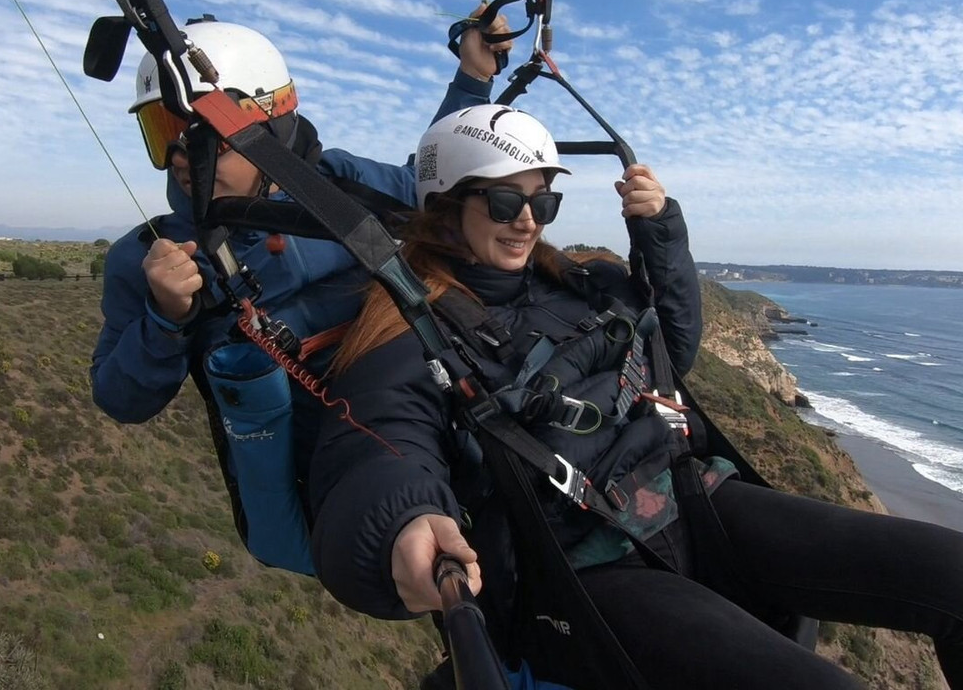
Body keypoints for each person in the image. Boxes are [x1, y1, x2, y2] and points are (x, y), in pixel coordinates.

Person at [308, 104, 963, 689]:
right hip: (581, 570)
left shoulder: (579, 281)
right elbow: (381, 445)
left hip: (686, 498)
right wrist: (403, 519)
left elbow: (670, 350)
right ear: (447, 206)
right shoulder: (407, 331)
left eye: (544, 202)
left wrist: (661, 233)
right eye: (506, 202)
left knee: (950, 571)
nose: (529, 221)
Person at [91, 7, 512, 573]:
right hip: (332, 497)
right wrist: (165, 318)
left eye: (207, 131)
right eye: (163, 133)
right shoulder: (152, 258)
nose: (182, 157)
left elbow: (429, 186)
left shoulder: (338, 184)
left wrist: (473, 78)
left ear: (269, 125)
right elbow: (120, 398)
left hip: (437, 439)